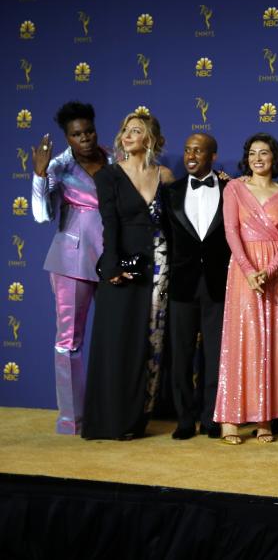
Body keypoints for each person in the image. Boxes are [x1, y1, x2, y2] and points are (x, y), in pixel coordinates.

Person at [82, 113, 175, 440]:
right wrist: (110, 266)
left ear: (150, 138)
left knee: (150, 341)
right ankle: (109, 419)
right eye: (125, 131)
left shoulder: (164, 176)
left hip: (160, 266)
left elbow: (176, 223)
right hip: (122, 264)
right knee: (117, 339)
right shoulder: (107, 175)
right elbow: (109, 223)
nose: (127, 135)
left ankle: (137, 419)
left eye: (136, 131)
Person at [214, 134, 278, 444]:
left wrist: (270, 270)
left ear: (274, 157)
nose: (258, 158)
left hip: (277, 274)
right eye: (253, 153)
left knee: (273, 343)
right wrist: (251, 270)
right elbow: (231, 231)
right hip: (243, 271)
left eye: (264, 153)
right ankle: (230, 419)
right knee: (241, 342)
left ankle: (265, 417)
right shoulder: (234, 189)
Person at [31, 101, 110, 435]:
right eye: (77, 134)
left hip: (113, 258)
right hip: (71, 260)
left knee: (114, 339)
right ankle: (70, 417)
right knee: (68, 340)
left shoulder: (114, 158)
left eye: (89, 131)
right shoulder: (57, 167)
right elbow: (40, 213)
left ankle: (111, 412)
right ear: (67, 137)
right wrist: (38, 173)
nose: (85, 139)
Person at [163, 133, 230, 440]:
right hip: (183, 284)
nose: (191, 155)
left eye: (198, 151)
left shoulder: (233, 189)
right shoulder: (171, 192)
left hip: (220, 284)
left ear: (212, 156)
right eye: (188, 150)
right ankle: (185, 419)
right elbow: (166, 236)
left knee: (216, 356)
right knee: (181, 355)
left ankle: (212, 418)